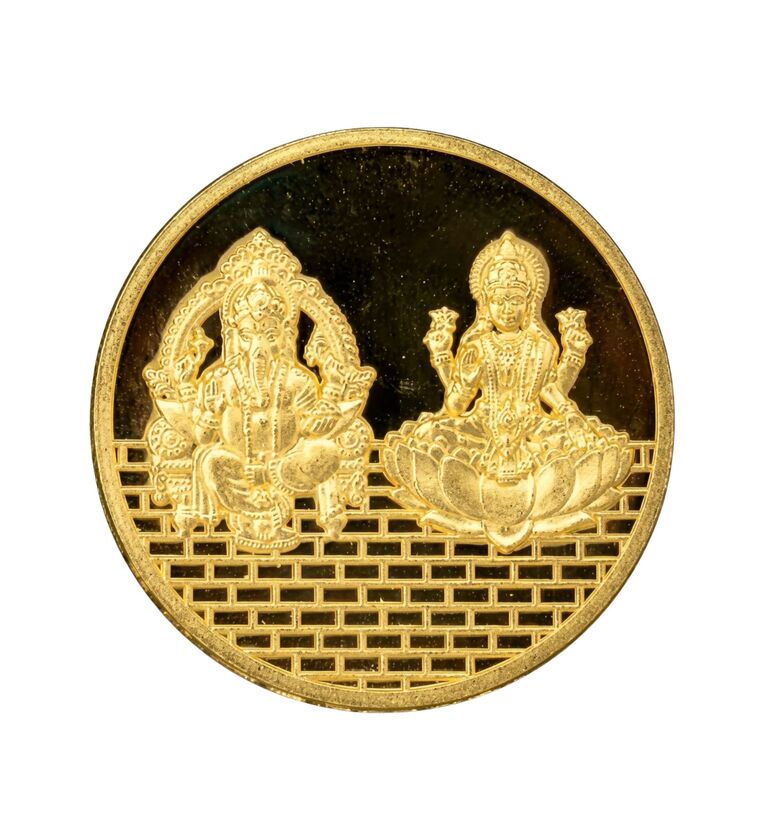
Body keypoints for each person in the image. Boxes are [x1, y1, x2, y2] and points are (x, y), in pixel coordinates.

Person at [383, 230, 632, 551]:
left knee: (583, 441)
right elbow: (456, 405)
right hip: (481, 425)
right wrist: (446, 360)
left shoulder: (540, 345)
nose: (507, 309)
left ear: (530, 303)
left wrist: (572, 381)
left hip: (532, 427)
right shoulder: (477, 345)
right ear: (485, 304)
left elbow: (551, 391)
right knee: (431, 436)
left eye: (515, 300)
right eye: (498, 300)